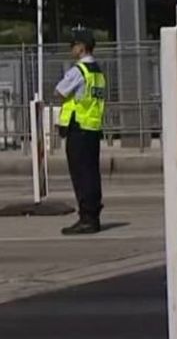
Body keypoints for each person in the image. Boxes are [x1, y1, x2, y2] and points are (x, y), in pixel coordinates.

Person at [55, 27, 105, 234]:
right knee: (92, 173)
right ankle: (93, 215)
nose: (71, 48)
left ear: (82, 48)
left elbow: (59, 91)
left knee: (81, 174)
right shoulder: (98, 72)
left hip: (78, 129)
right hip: (93, 127)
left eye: (73, 44)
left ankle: (86, 218)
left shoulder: (79, 71)